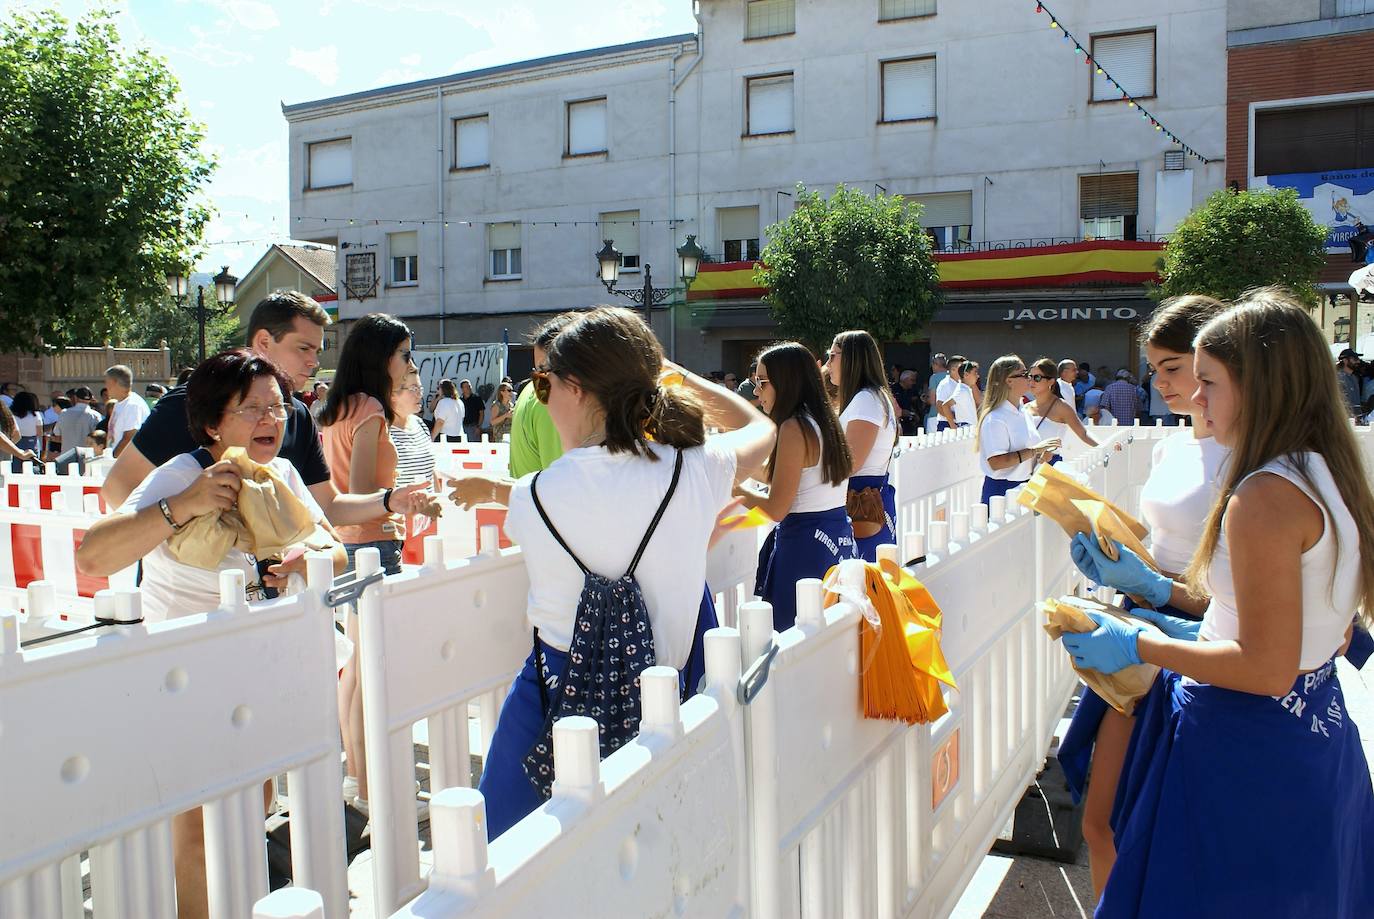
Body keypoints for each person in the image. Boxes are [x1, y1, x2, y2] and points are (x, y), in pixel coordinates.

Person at [1059, 290, 1374, 916]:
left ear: (1261, 385)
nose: (1195, 400)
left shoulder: (1264, 495)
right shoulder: (1328, 470)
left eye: (1207, 382)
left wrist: (1137, 640)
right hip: (1312, 738)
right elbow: (1303, 632)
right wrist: (1158, 600)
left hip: (1240, 748)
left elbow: (1263, 667)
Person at [445, 306, 774, 838]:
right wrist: (674, 373)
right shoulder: (698, 467)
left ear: (575, 388)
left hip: (554, 698)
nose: (542, 398)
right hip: (670, 694)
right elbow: (760, 426)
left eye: (543, 383)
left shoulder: (534, 497)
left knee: (502, 854)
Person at [75, 350, 347, 919]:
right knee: (199, 827)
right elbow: (95, 554)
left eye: (279, 405)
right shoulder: (179, 473)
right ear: (212, 423)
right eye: (253, 409)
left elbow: (337, 551)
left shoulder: (285, 475)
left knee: (256, 805)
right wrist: (185, 504)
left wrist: (303, 557)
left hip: (262, 667)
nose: (272, 419)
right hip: (186, 676)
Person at [1055, 294, 1227, 899]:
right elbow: (1164, 547)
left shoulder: (1253, 460)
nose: (1164, 382)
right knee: (1102, 821)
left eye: (1173, 367)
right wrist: (1120, 561)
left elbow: (1241, 607)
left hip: (1195, 650)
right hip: (1138, 635)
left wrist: (1152, 588)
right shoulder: (1173, 445)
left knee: (1168, 832)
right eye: (1155, 369)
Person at [99, 292, 421, 529]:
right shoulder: (187, 405)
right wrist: (182, 538)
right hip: (191, 608)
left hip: (274, 603)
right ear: (264, 342)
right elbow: (117, 489)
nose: (314, 361)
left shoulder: (298, 416)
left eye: (317, 351)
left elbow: (328, 506)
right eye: (303, 348)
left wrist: (390, 501)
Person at [319, 312, 418, 816]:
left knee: (355, 671)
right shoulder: (371, 409)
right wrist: (399, 498)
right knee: (372, 671)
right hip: (372, 543)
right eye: (404, 354)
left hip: (347, 544)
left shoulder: (338, 407)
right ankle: (376, 789)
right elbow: (360, 491)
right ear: (383, 357)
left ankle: (359, 780)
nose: (408, 364)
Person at [741, 341, 856, 631]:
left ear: (786, 382)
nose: (756, 391)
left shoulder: (793, 427)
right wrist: (737, 467)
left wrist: (734, 490)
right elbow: (794, 477)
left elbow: (777, 508)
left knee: (793, 644)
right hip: (835, 539)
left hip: (803, 547)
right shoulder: (823, 420)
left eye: (762, 382)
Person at [827, 330, 898, 561]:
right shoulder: (868, 397)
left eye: (832, 355)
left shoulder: (866, 400)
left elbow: (850, 463)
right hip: (867, 501)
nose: (828, 363)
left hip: (862, 502)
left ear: (850, 359)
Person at [975, 356, 1058, 505]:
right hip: (1002, 492)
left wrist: (1040, 457)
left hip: (1023, 487)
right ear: (1009, 381)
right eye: (1025, 374)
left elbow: (1025, 457)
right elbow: (996, 462)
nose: (1030, 378)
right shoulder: (995, 418)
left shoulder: (1022, 411)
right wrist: (1035, 450)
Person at [509, 315, 573, 477]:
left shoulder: (535, 391)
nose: (542, 379)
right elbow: (564, 482)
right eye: (540, 371)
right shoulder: (551, 399)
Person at [1025, 358, 1098, 462]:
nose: (1031, 381)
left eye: (1037, 377)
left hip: (1049, 467)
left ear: (1050, 381)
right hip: (1024, 468)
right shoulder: (1025, 408)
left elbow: (1083, 433)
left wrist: (1105, 447)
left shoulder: (1061, 407)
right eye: (1029, 377)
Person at [104, 365, 150, 459]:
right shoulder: (120, 403)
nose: (106, 387)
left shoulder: (132, 405)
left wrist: (113, 458)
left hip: (127, 461)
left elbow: (130, 437)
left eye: (106, 382)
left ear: (114, 382)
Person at [55, 387, 101, 458]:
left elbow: (57, 434)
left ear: (76, 398)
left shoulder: (63, 413)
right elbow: (98, 437)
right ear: (91, 399)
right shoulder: (95, 416)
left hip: (66, 456)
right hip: (87, 456)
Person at [940, 360, 980, 429]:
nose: (978, 376)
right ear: (966, 375)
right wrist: (953, 426)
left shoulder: (966, 389)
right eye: (975, 373)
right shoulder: (962, 391)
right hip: (966, 428)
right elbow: (945, 405)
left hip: (970, 428)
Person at [0, 398, 37, 465]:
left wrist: (20, 453)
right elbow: (17, 435)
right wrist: (7, 448)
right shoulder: (5, 412)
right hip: (5, 461)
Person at [933, 354, 964, 431]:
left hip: (957, 423)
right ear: (953, 369)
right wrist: (953, 423)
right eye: (962, 368)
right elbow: (940, 406)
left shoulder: (960, 383)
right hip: (947, 424)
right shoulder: (945, 384)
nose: (965, 370)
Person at [892, 370, 922, 437]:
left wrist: (915, 414)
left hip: (908, 424)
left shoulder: (911, 391)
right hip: (896, 423)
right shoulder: (893, 389)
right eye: (912, 380)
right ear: (904, 379)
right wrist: (901, 412)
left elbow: (913, 405)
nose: (914, 383)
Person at [924, 353, 948, 433]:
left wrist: (925, 399)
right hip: (950, 416)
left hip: (935, 416)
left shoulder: (934, 377)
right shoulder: (952, 376)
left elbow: (932, 401)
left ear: (936, 364)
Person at [1337, 347, 1362, 418]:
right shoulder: (1338, 378)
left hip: (1355, 419)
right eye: (1355, 359)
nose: (1358, 362)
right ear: (1345, 360)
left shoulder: (1354, 378)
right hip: (1344, 419)